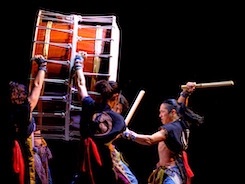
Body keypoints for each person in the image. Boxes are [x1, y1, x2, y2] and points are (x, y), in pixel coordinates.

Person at [122, 82, 204, 184]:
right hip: (172, 171)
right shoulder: (182, 123)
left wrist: (128, 134)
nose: (160, 115)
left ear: (172, 112)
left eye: (162, 112)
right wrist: (185, 93)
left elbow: (149, 140)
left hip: (172, 175)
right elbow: (180, 106)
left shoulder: (170, 129)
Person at [72, 51, 127, 184]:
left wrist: (79, 64)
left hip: (84, 159)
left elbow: (81, 85)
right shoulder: (118, 120)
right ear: (116, 97)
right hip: (103, 166)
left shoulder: (89, 105)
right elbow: (116, 135)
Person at [2, 55, 47, 184]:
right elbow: (37, 85)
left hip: (9, 148)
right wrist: (42, 66)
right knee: (29, 171)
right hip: (25, 147)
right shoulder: (27, 107)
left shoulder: (6, 110)